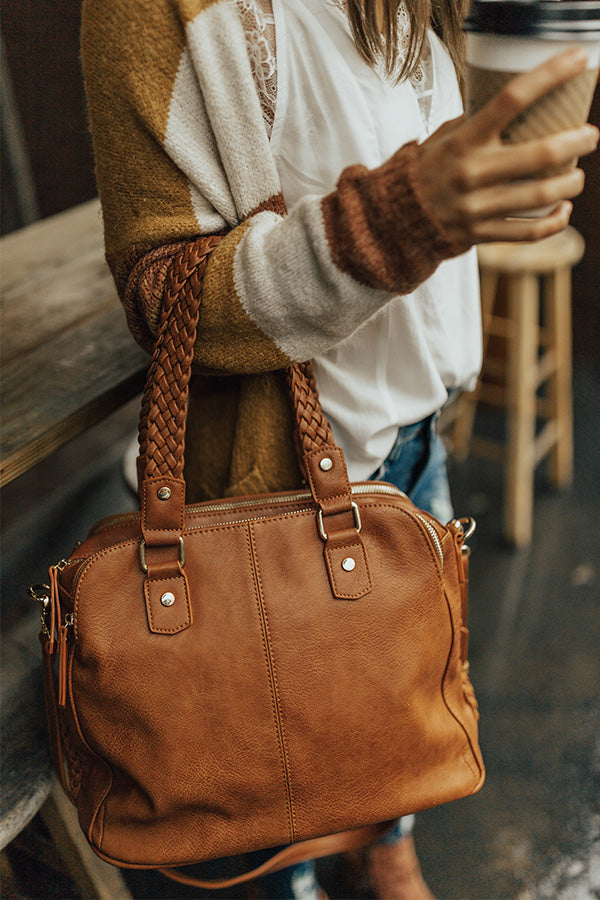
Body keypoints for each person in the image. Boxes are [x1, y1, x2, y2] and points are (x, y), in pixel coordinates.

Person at [81, 0, 598, 897]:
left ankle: (384, 842)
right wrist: (398, 220)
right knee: (271, 787)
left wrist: (483, 197)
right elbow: (163, 300)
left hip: (417, 440)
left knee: (394, 712)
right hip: (266, 487)